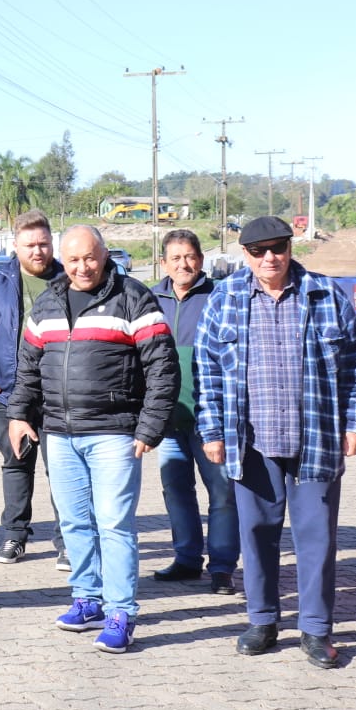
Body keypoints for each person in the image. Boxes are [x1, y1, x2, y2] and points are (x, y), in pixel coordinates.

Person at [194, 216, 356, 669]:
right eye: (258, 250)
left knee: (317, 539)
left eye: (277, 247)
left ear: (291, 247)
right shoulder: (225, 298)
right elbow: (207, 371)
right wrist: (211, 430)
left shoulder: (327, 295)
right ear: (244, 253)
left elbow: (354, 366)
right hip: (249, 440)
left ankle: (315, 629)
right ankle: (263, 620)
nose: (269, 257)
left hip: (316, 437)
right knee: (255, 535)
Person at [7, 225, 178, 654]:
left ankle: (121, 612)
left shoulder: (134, 297)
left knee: (114, 524)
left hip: (114, 434)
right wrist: (17, 415)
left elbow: (162, 367)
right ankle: (87, 599)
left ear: (105, 255)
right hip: (60, 434)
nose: (83, 267)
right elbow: (28, 367)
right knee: (74, 521)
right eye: (74, 259)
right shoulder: (47, 303)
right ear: (62, 259)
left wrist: (149, 426)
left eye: (90, 257)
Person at [0, 210, 68, 569]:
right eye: (30, 245)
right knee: (16, 465)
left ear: (52, 242)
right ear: (15, 245)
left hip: (60, 395)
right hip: (8, 394)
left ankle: (67, 541)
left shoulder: (69, 281)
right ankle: (15, 535)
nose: (37, 251)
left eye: (43, 243)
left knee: (64, 469)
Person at [150, 229, 239, 595]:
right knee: (176, 490)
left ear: (200, 260)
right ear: (164, 263)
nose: (184, 264)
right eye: (176, 258)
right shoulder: (150, 299)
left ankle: (222, 567)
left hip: (210, 419)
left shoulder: (220, 297)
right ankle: (187, 559)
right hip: (168, 418)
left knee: (221, 495)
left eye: (190, 256)